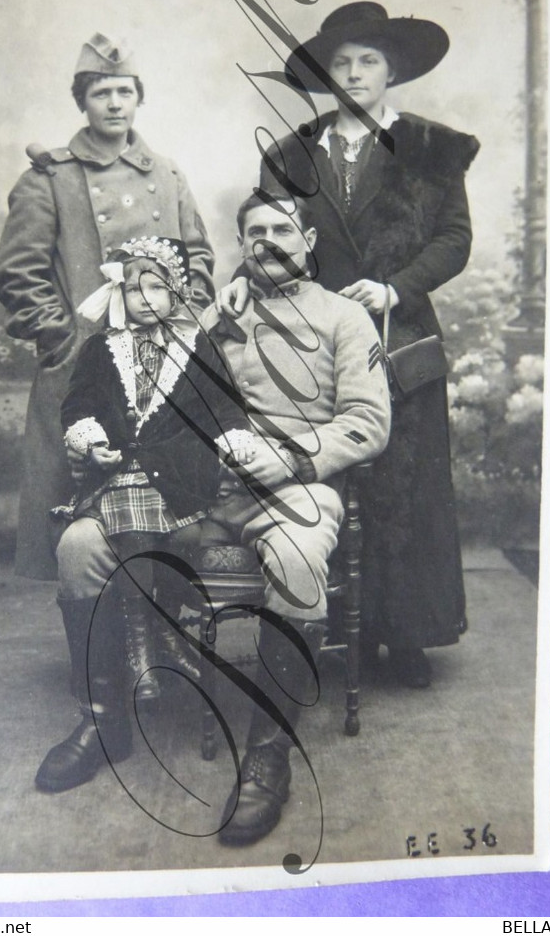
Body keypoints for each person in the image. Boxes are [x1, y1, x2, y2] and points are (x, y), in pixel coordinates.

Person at [218, 1, 480, 688]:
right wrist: (244, 281)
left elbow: (455, 239)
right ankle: (337, 630)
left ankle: (409, 634)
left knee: (407, 483)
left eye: (368, 60)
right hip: (314, 342)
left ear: (392, 69)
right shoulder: (290, 154)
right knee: (328, 472)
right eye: (342, 62)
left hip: (399, 341)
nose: (355, 72)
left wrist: (394, 288)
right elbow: (268, 233)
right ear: (325, 75)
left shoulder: (431, 146)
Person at [201, 192, 391, 846]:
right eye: (256, 232)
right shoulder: (221, 317)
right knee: (93, 544)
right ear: (242, 245)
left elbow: (367, 425)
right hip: (216, 490)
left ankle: (266, 755)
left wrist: (289, 461)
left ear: (308, 239)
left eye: (283, 228)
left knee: (299, 559)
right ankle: (109, 718)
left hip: (301, 489)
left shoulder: (344, 318)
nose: (271, 240)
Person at [0, 33, 215, 579]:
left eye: (124, 91)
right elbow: (16, 272)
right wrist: (61, 335)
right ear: (82, 102)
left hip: (166, 357)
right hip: (86, 362)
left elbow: (199, 257)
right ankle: (99, 641)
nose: (114, 104)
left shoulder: (168, 174)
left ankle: (163, 629)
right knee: (84, 511)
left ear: (139, 97)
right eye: (100, 93)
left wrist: (185, 327)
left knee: (166, 500)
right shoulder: (53, 178)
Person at [35, 236, 251, 794]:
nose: (148, 298)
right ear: (120, 293)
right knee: (78, 546)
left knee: (148, 524)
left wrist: (232, 444)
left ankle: (149, 634)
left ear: (178, 294)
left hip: (180, 486)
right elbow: (78, 403)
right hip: (116, 481)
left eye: (160, 288)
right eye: (136, 288)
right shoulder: (101, 350)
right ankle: (103, 714)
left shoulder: (197, 346)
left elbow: (225, 406)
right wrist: (92, 441)